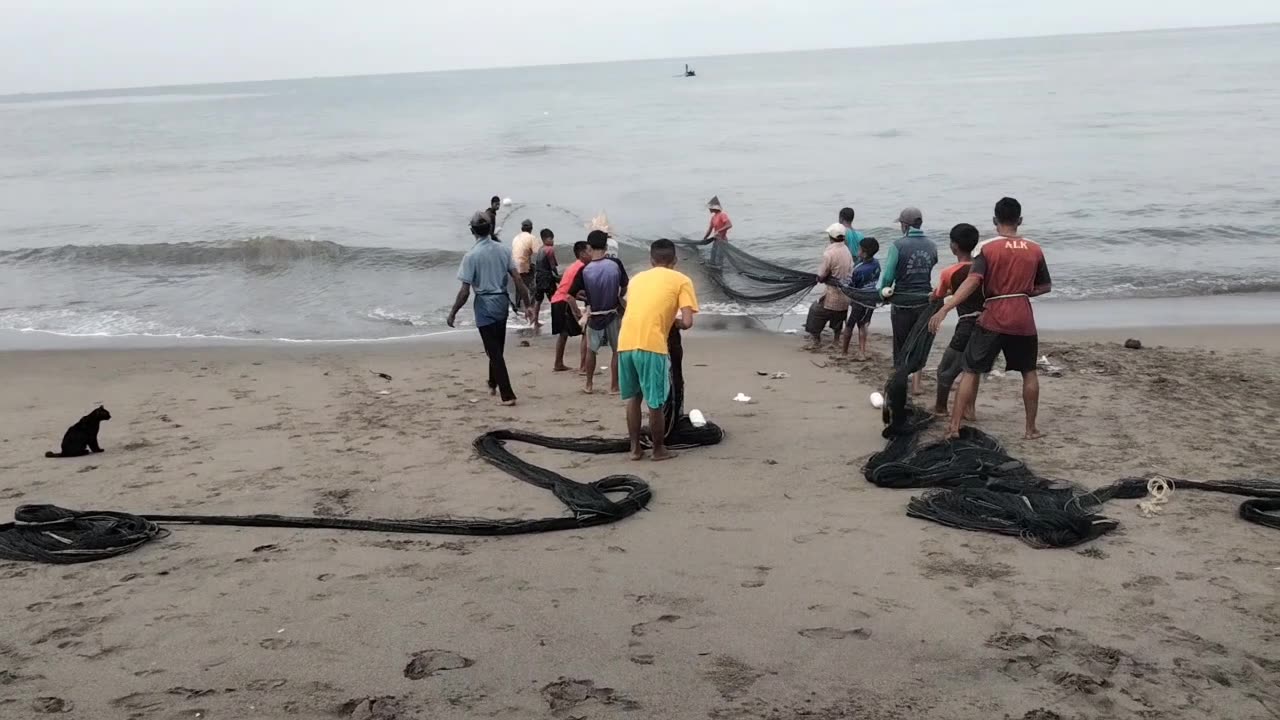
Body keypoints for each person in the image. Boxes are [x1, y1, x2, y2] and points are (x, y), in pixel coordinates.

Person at [929, 197, 1052, 440]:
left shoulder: (987, 248)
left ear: (995, 220)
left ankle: (954, 426)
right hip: (1023, 316)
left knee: (971, 369)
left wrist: (946, 307)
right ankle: (1030, 429)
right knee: (1029, 371)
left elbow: (973, 281)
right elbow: (1045, 286)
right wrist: (1022, 291)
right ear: (1020, 220)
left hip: (994, 315)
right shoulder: (1035, 249)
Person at [618, 239, 698, 462]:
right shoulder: (682, 280)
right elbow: (688, 321)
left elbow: (631, 305)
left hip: (625, 341)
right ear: (675, 260)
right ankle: (659, 450)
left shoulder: (636, 279)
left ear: (651, 260)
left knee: (634, 398)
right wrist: (675, 323)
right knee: (655, 401)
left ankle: (634, 449)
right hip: (652, 345)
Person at [447, 211, 530, 405]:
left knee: (493, 352)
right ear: (489, 229)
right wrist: (527, 304)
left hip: (484, 305)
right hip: (501, 303)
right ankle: (493, 382)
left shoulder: (471, 256)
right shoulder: (503, 250)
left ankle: (507, 394)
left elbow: (465, 291)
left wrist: (453, 312)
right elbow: (517, 279)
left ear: (472, 231)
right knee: (496, 348)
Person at [878, 207, 938, 395]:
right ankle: (917, 386)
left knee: (902, 343)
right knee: (919, 342)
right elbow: (933, 263)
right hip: (925, 301)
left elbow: (888, 274)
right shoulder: (932, 245)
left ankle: (901, 381)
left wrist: (882, 292)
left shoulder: (898, 245)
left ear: (905, 225)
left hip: (903, 302)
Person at [932, 223, 984, 419]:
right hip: (987, 324)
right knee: (972, 368)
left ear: (953, 246)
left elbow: (937, 295)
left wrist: (934, 297)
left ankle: (940, 408)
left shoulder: (950, 272)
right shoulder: (983, 268)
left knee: (945, 371)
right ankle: (970, 409)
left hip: (966, 325)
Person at [570, 230, 629, 394]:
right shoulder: (615, 264)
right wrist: (618, 296)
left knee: (591, 350)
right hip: (612, 312)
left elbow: (573, 292)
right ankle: (614, 386)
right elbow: (624, 286)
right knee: (616, 351)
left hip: (594, 314)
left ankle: (589, 385)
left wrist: (587, 298)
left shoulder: (585, 269)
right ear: (606, 246)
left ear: (589, 246)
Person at [804, 223, 854, 349]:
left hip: (833, 295)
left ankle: (816, 340)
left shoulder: (829, 253)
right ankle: (836, 340)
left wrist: (820, 278)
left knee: (815, 311)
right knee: (839, 316)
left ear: (830, 237)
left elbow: (821, 275)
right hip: (846, 296)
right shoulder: (846, 250)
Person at [550, 241, 592, 373]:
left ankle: (558, 363)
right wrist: (578, 312)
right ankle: (584, 366)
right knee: (585, 330)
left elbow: (571, 289)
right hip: (564, 301)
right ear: (582, 254)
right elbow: (570, 294)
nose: (591, 254)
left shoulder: (573, 266)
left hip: (557, 299)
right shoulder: (582, 267)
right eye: (589, 251)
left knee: (563, 334)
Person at [840, 236, 881, 359]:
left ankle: (844, 352)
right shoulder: (876, 263)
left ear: (864, 252)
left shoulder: (859, 269)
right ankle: (862, 352)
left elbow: (852, 285)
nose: (858, 251)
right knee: (863, 324)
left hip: (859, 300)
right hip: (872, 298)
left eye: (859, 249)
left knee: (849, 325)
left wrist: (843, 285)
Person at [532, 228, 559, 328]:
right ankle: (556, 321)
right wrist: (558, 277)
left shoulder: (540, 249)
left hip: (539, 277)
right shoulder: (550, 249)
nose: (552, 241)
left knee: (538, 300)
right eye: (550, 239)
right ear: (545, 239)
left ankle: (535, 322)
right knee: (554, 299)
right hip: (547, 278)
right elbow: (552, 266)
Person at [702, 196, 732, 267]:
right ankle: (713, 271)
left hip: (722, 240)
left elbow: (729, 225)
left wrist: (719, 230)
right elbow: (710, 229)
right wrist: (705, 238)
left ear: (714, 208)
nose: (709, 209)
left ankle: (720, 272)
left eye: (710, 207)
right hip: (716, 240)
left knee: (720, 258)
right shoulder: (713, 217)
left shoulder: (722, 215)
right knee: (713, 257)